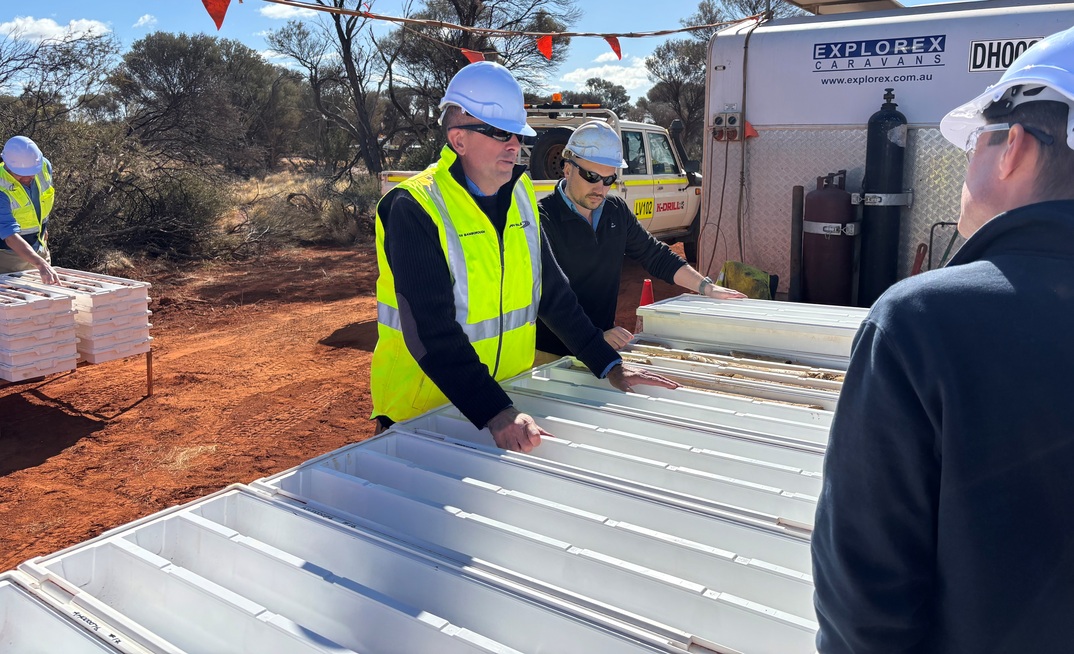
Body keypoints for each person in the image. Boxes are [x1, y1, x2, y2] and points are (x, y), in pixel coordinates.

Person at [811, 26, 1074, 653]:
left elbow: (864, 604)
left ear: (1012, 148)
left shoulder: (921, 323)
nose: (967, 164)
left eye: (974, 146)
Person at [370, 61, 676, 453]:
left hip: (506, 402)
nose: (514, 145)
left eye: (516, 133)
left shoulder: (520, 196)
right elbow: (431, 331)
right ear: (458, 139)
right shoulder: (414, 207)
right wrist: (496, 411)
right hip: (425, 413)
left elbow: (553, 294)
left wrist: (608, 363)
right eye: (499, 133)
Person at [535, 120, 744, 360]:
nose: (600, 189)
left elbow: (654, 254)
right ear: (567, 168)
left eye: (608, 179)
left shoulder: (615, 211)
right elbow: (550, 299)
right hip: (553, 353)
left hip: (602, 345)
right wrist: (591, 337)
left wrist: (707, 287)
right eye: (591, 176)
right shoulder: (543, 219)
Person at [0, 136, 59, 285]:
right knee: (15, 304)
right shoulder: (1, 187)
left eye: (32, 172)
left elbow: (41, 201)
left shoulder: (44, 167)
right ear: (7, 165)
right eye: (22, 174)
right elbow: (10, 236)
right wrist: (40, 264)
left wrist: (43, 228)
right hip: (9, 257)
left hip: (40, 248)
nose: (28, 178)